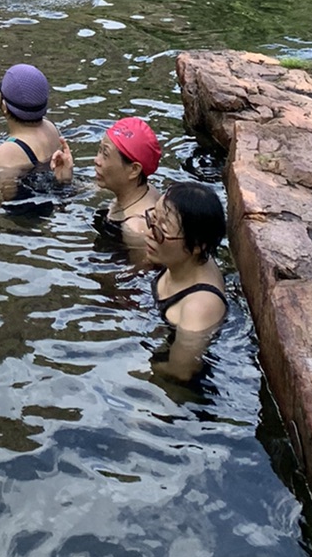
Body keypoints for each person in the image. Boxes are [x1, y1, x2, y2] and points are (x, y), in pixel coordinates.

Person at [144, 181, 229, 381]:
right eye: (153, 219)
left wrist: (134, 363)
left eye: (162, 229)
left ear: (197, 245)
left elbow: (181, 371)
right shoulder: (188, 258)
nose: (149, 233)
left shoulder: (198, 308)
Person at [0, 64, 73, 203]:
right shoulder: (51, 128)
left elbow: (6, 195)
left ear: (4, 106)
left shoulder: (8, 151)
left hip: (25, 213)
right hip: (51, 201)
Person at [92, 116, 162, 248]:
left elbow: (142, 268)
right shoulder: (145, 190)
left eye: (105, 154)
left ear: (134, 170)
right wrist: (65, 180)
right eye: (99, 150)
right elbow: (93, 189)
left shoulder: (136, 231)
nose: (96, 160)